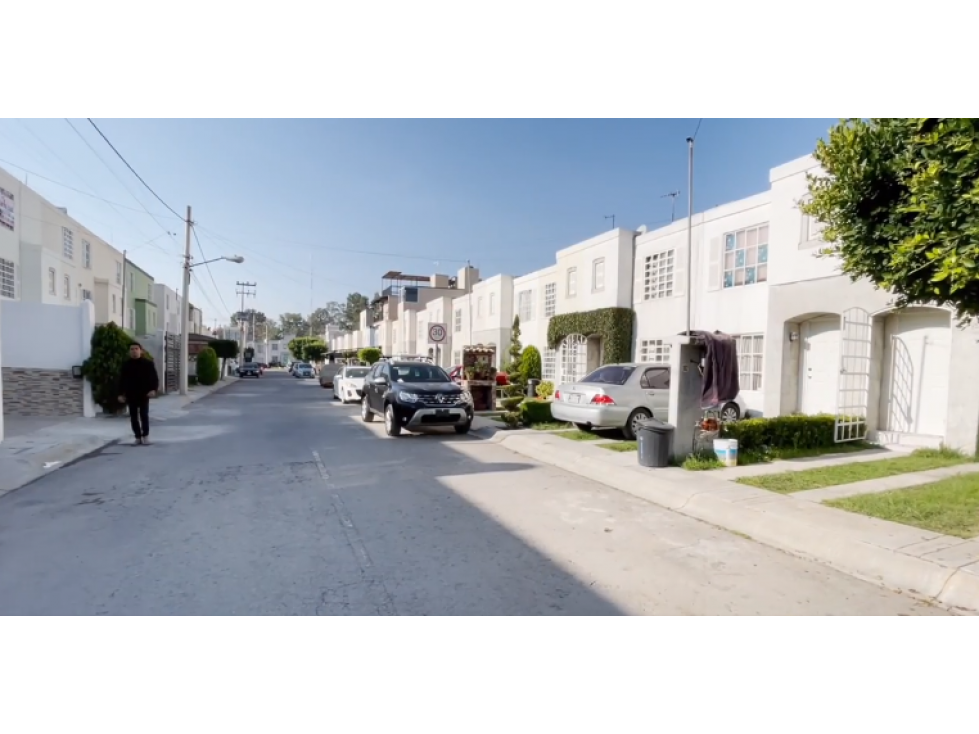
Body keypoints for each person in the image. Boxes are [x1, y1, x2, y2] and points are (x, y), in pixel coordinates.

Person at [118, 343, 159, 446]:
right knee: (133, 417)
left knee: (144, 415)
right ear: (129, 351)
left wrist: (153, 390)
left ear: (141, 351)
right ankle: (137, 437)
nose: (134, 351)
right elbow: (121, 381)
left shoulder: (148, 364)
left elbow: (154, 378)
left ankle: (145, 436)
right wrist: (120, 394)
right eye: (132, 349)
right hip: (131, 394)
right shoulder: (126, 365)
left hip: (144, 394)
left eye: (136, 349)